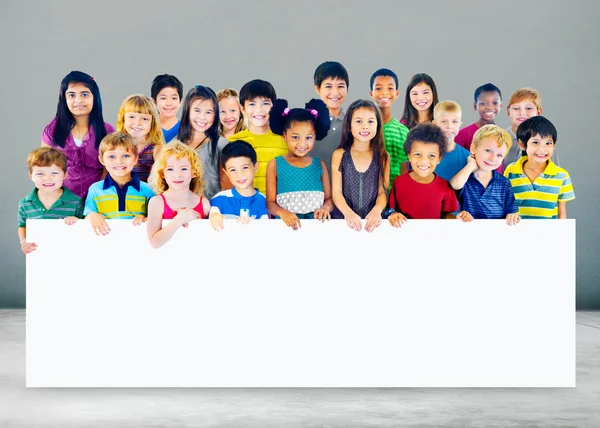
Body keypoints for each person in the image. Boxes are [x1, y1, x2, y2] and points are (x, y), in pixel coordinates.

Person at [41, 71, 114, 200]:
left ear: (94, 97)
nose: (78, 100)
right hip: (61, 201)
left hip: (97, 201)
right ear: (64, 99)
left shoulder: (107, 130)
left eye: (84, 94)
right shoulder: (52, 130)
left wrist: (98, 197)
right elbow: (44, 165)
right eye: (72, 95)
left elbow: (109, 169)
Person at [266, 98, 333, 230]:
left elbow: (329, 199)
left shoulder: (319, 165)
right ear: (284, 135)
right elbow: (270, 203)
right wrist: (282, 213)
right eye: (295, 137)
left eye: (308, 137)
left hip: (317, 227)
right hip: (286, 227)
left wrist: (325, 208)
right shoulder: (275, 165)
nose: (302, 143)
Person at [387, 123, 472, 226]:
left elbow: (447, 215)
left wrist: (459, 218)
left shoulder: (444, 186)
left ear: (439, 159)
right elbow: (390, 210)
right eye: (417, 154)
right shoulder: (399, 182)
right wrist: (394, 214)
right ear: (409, 156)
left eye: (431, 155)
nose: (424, 161)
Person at [331, 99, 390, 232]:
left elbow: (383, 192)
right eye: (358, 121)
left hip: (373, 223)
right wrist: (348, 213)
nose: (365, 126)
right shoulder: (340, 154)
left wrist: (377, 211)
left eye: (370, 121)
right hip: (343, 221)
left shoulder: (383, 156)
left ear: (378, 125)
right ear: (349, 126)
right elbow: (336, 192)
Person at [84, 132, 155, 235]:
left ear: (135, 159)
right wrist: (92, 215)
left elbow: (156, 218)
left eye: (126, 156)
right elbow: (87, 215)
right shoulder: (95, 189)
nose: (119, 161)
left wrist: (146, 218)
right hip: (106, 241)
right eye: (112, 157)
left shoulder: (148, 190)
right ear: (101, 159)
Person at [504, 116, 574, 219]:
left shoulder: (562, 176)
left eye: (548, 143)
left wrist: (560, 233)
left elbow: (561, 212)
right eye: (535, 142)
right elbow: (505, 204)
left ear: (554, 145)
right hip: (517, 233)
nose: (542, 149)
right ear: (522, 144)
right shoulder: (510, 171)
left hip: (548, 233)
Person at [449, 125, 520, 225]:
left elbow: (511, 212)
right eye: (488, 151)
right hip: (469, 231)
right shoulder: (465, 178)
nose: (492, 158)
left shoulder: (504, 183)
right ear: (473, 148)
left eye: (499, 155)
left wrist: (512, 216)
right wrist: (470, 165)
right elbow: (455, 185)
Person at [17, 147, 83, 254]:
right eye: (40, 174)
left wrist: (76, 220)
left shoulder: (76, 202)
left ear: (65, 175)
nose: (47, 178)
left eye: (54, 173)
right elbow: (22, 226)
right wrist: (23, 241)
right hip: (39, 257)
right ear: (30, 176)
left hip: (69, 254)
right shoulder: (25, 204)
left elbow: (84, 229)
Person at [227, 79, 287, 195]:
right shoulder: (234, 142)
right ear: (242, 108)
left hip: (280, 208)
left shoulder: (285, 140)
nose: (259, 110)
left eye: (265, 103)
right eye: (252, 104)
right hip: (247, 209)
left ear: (273, 107)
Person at [146, 142, 210, 248]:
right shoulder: (156, 202)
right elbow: (154, 242)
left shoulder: (204, 204)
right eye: (170, 169)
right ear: (162, 173)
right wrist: (179, 219)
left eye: (184, 169)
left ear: (194, 172)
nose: (177, 174)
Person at [177, 85, 228, 199]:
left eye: (208, 112)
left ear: (215, 115)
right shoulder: (174, 144)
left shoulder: (221, 145)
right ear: (187, 110)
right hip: (181, 210)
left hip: (213, 211)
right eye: (197, 110)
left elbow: (227, 187)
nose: (202, 117)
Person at [209, 140, 268, 231]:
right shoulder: (219, 199)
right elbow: (212, 222)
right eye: (233, 170)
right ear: (226, 173)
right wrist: (214, 216)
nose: (240, 175)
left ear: (255, 167)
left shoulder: (265, 201)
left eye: (245, 167)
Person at [369, 68, 410, 183]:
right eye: (378, 88)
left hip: (394, 195)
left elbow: (404, 170)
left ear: (397, 93)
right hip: (369, 195)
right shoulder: (363, 129)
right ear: (371, 94)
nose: (384, 92)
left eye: (390, 88)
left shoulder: (404, 132)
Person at [503, 87, 559, 170]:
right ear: (508, 112)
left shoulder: (546, 143)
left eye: (528, 108)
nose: (522, 113)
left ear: (538, 112)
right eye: (516, 108)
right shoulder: (499, 139)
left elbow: (555, 173)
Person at [312, 61, 350, 178]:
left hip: (343, 193)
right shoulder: (306, 123)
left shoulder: (352, 124)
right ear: (317, 89)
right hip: (311, 192)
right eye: (328, 86)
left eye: (340, 86)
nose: (335, 92)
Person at [116, 94, 165, 182]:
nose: (137, 123)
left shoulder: (157, 150)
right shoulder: (114, 147)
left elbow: (158, 182)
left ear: (152, 122)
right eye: (131, 117)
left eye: (144, 119)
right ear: (123, 119)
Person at [455, 83, 503, 151]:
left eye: (495, 103)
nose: (489, 107)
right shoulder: (463, 135)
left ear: (500, 105)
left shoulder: (503, 135)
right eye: (484, 103)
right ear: (475, 106)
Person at [431, 100, 470, 182]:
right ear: (434, 124)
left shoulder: (467, 157)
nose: (449, 126)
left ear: (460, 124)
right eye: (444, 122)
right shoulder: (424, 153)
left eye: (454, 122)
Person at [150, 74, 183, 143]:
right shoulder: (147, 128)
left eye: (174, 98)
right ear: (154, 102)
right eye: (163, 98)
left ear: (180, 102)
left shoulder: (187, 129)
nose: (169, 103)